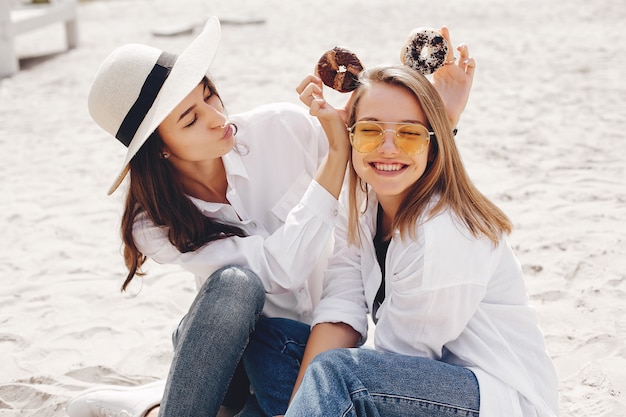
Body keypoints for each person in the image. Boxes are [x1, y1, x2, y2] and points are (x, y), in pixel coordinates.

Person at [66, 16, 475, 417]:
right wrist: (333, 158)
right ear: (160, 148)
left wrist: (444, 117)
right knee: (234, 285)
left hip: (311, 346)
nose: (216, 118)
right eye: (190, 119)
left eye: (209, 95)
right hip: (233, 353)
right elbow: (279, 270)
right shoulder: (152, 224)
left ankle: (156, 405)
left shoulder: (283, 128)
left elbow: (378, 168)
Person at [275, 64, 560, 417]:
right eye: (369, 132)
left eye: (409, 134)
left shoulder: (443, 233)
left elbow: (400, 359)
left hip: (489, 399)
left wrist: (318, 390)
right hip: (413, 382)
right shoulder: (365, 205)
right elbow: (342, 305)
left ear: (432, 145)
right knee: (271, 341)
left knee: (337, 374)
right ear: (350, 138)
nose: (388, 148)